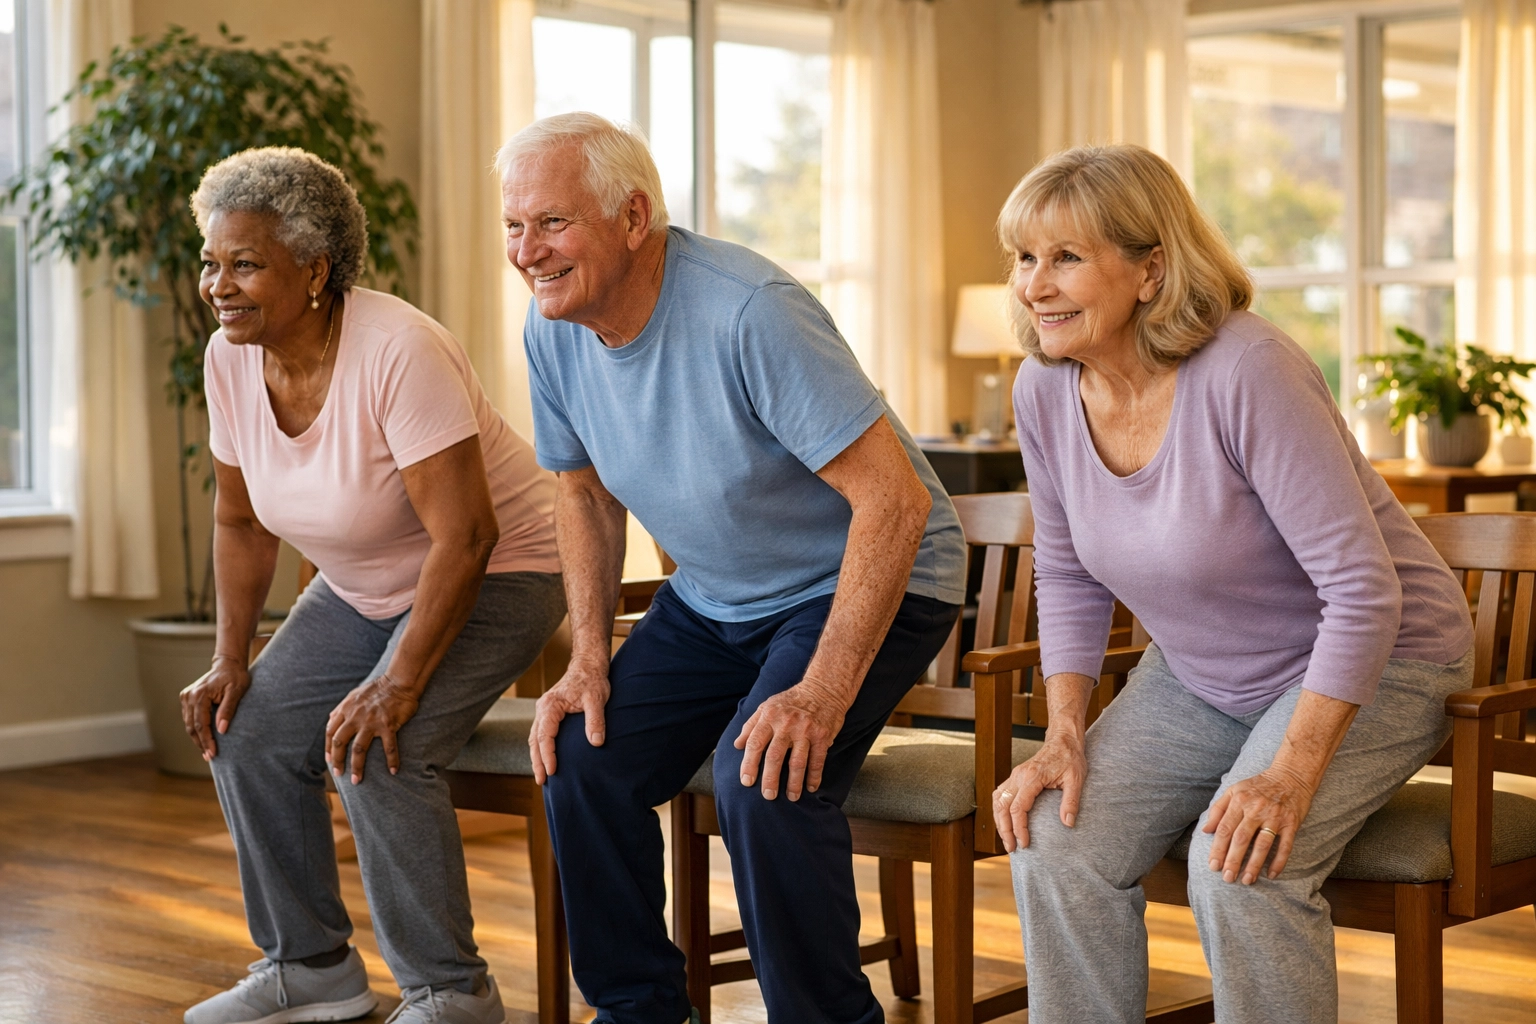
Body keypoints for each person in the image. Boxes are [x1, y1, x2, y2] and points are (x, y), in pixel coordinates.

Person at [991, 143, 1475, 1024]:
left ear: (1151, 271)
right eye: (1025, 258)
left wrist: (1288, 774)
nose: (1034, 286)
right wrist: (1064, 733)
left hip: (1380, 658)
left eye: (1065, 257)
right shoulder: (1044, 388)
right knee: (1055, 845)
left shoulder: (1249, 369)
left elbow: (1365, 593)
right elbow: (1063, 571)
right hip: (1201, 676)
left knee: (1244, 866)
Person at [504, 112, 966, 1024]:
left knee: (769, 772)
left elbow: (896, 503)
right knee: (581, 758)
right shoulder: (550, 330)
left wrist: (821, 690)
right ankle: (639, 1011)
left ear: (633, 217)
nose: (528, 251)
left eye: (551, 222)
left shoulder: (749, 309)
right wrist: (588, 660)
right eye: (514, 226)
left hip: (871, 572)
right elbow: (585, 496)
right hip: (717, 596)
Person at [178, 147, 566, 1024]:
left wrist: (394, 685)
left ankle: (451, 993)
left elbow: (467, 538)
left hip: (502, 571)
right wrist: (229, 658)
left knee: (378, 743)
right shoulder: (229, 358)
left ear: (314, 270)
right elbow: (239, 521)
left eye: (244, 264)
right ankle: (309, 967)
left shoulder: (398, 349)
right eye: (211, 261)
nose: (218, 284)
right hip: (363, 585)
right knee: (245, 733)